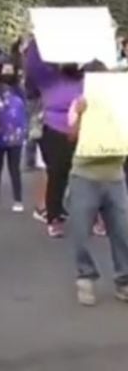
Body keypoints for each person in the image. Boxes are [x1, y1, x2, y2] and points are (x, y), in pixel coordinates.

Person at [66, 83, 128, 306]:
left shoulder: (120, 103)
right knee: (81, 232)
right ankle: (85, 277)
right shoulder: (79, 103)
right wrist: (81, 115)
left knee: (122, 231)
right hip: (85, 176)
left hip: (115, 176)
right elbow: (71, 138)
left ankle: (124, 279)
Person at [25, 39, 84, 237]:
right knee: (57, 173)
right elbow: (33, 64)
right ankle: (54, 217)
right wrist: (38, 37)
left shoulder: (86, 79)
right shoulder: (49, 77)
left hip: (84, 130)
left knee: (85, 176)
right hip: (54, 130)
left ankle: (91, 216)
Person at [0, 60, 28, 212]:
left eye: (11, 69)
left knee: (14, 169)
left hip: (15, 136)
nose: (8, 73)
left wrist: (25, 131)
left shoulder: (20, 90)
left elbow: (25, 111)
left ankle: (18, 200)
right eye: (5, 69)